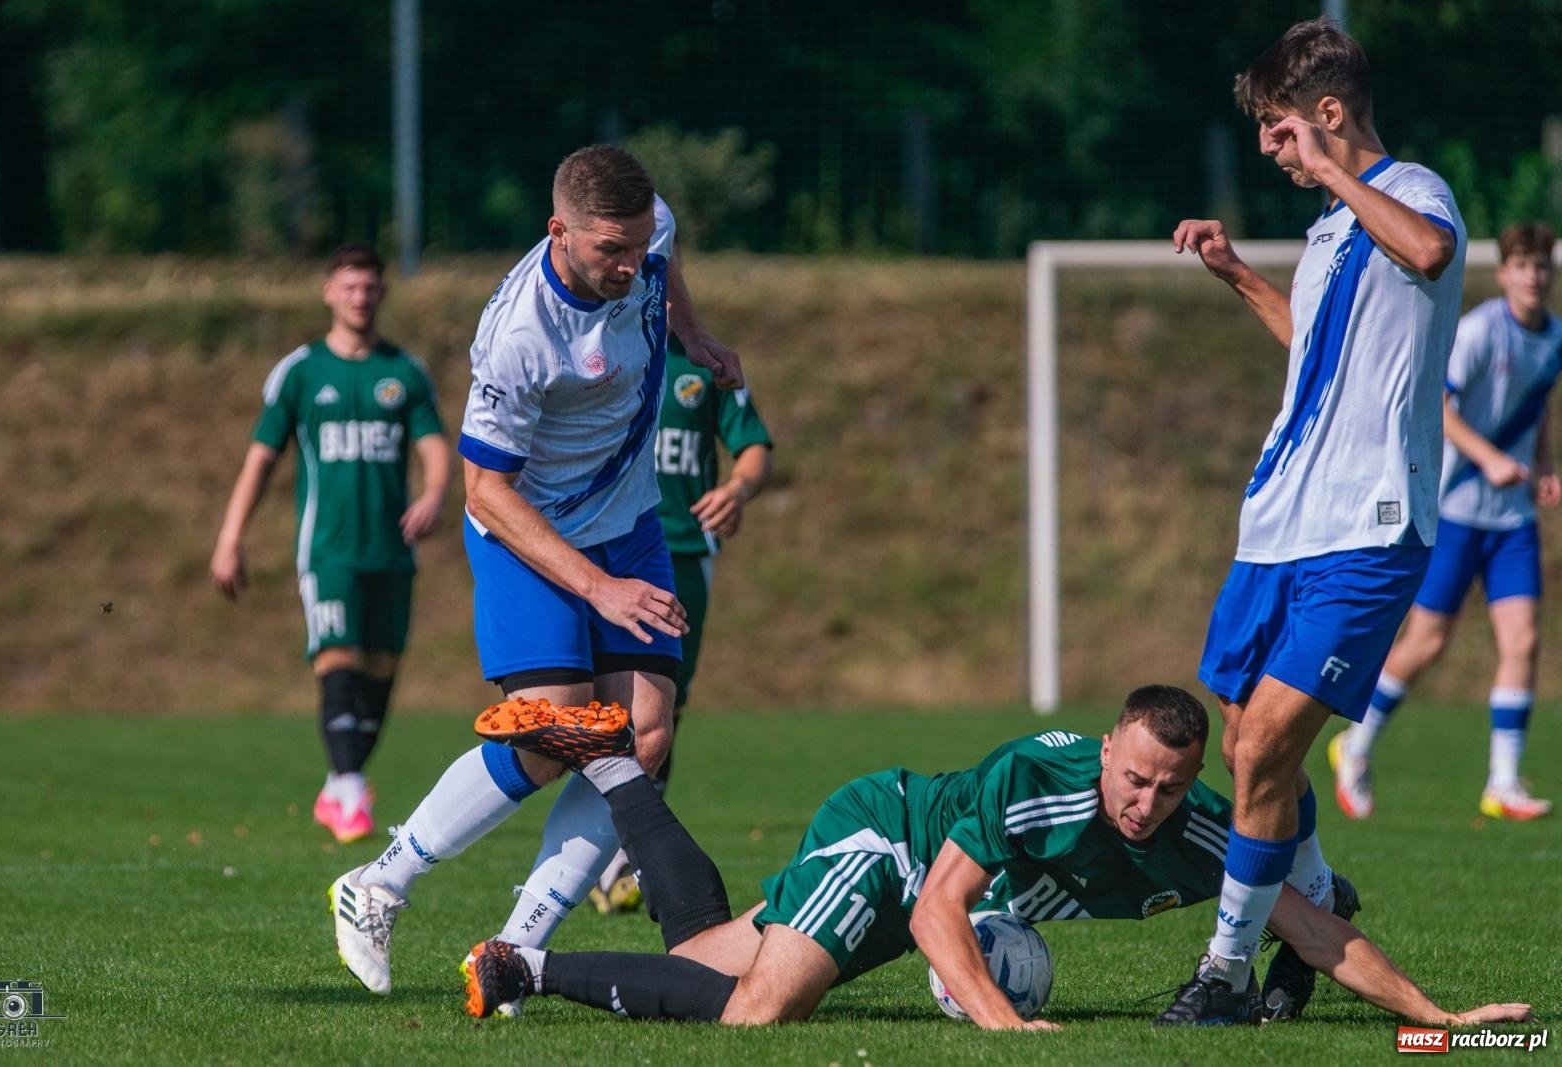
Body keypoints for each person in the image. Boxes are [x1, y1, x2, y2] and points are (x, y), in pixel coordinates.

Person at [458, 686, 1532, 1031]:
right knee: (755, 1010)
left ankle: (610, 764)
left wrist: (1433, 1015)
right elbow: (937, 913)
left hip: (925, 884)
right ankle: (525, 965)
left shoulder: (1200, 829)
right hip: (890, 840)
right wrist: (1005, 1024)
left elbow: (1313, 923)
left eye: (1167, 785)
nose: (1144, 802)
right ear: (1107, 748)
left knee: (701, 950)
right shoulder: (1039, 775)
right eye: (1132, 777)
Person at [328, 144, 745, 997]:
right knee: (556, 730)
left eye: (638, 248)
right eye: (609, 252)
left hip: (626, 522)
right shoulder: (520, 335)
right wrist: (596, 587)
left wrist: (694, 334)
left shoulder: (647, 231)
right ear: (558, 230)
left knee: (646, 737)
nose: (631, 267)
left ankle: (516, 950)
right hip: (530, 528)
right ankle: (378, 881)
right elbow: (487, 486)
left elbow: (664, 264)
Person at [1166, 17, 1467, 1025]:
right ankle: (1321, 894)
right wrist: (1239, 274)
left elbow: (1428, 252)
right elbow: (1313, 357)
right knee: (1248, 738)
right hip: (1278, 522)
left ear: (1328, 114)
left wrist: (1336, 175)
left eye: (1279, 127)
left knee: (1261, 756)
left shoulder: (1411, 193)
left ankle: (1224, 967)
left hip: (1369, 524)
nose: (1268, 146)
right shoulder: (1333, 232)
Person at [210, 244, 449, 844]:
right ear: (328, 292)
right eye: (349, 287)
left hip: (392, 551)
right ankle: (346, 786)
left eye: (369, 287)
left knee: (381, 671)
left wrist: (434, 494)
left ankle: (342, 782)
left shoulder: (404, 372)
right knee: (336, 657)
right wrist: (230, 538)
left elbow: (435, 448)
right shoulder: (300, 372)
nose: (360, 297)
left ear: (382, 293)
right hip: (328, 550)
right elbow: (260, 460)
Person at [1332, 222, 1560, 823]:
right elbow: (1438, 402)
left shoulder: (1555, 337)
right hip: (1457, 509)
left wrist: (1544, 466)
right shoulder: (1482, 331)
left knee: (1524, 642)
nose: (1535, 276)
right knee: (1426, 644)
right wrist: (1486, 459)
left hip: (1511, 520)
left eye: (1544, 266)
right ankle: (1354, 746)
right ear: (1504, 272)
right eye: (1524, 265)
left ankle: (1503, 782)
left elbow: (1536, 409)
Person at [591, 331, 775, 914]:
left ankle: (629, 842)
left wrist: (738, 489)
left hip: (682, 554)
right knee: (597, 696)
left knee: (664, 704)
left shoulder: (702, 362)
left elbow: (753, 447)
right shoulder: (598, 345)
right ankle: (603, 839)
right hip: (603, 547)